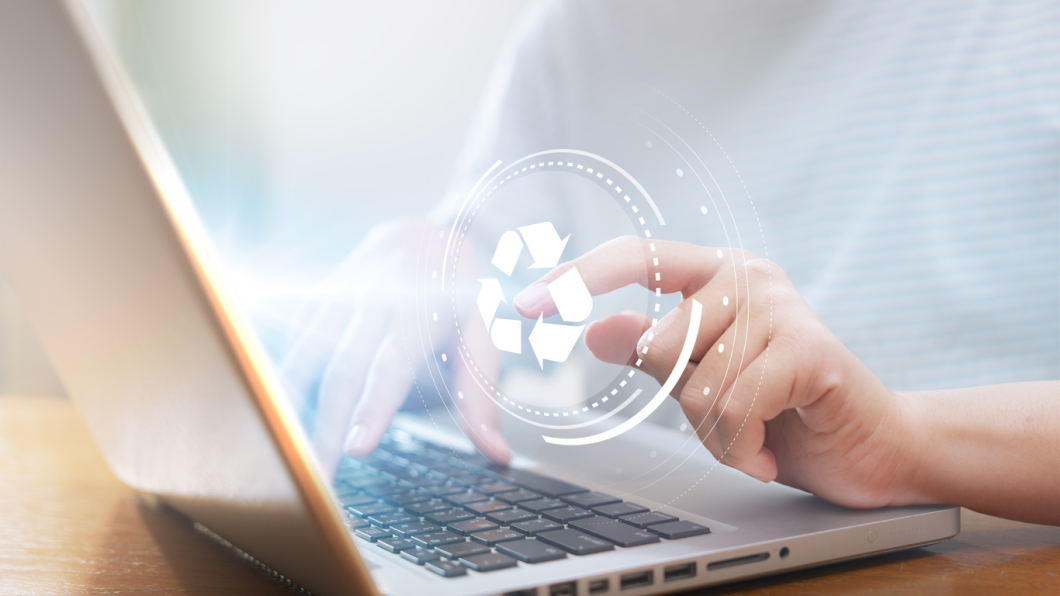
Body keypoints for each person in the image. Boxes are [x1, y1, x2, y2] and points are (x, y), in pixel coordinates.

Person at [277, 0, 1059, 525]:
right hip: (642, 531)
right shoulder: (576, 33)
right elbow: (486, 273)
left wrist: (904, 442)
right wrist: (440, 248)